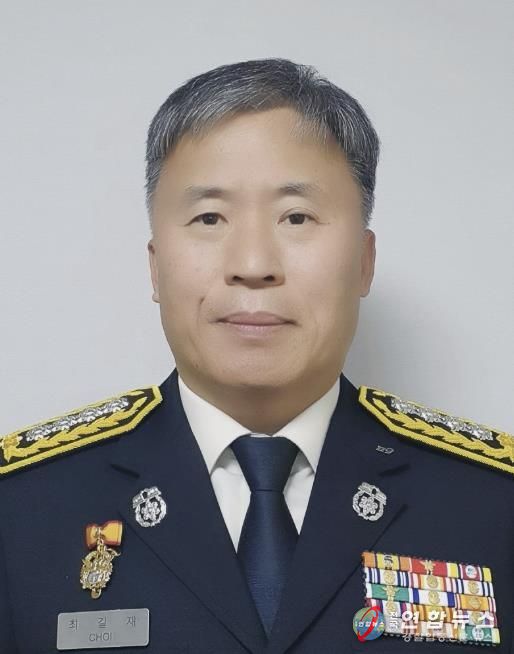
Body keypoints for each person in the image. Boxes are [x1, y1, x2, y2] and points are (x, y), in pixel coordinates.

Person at [0, 58, 512, 654]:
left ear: (364, 262)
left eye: (296, 217)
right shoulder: (23, 506)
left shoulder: (490, 503)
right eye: (209, 217)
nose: (253, 264)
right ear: (155, 267)